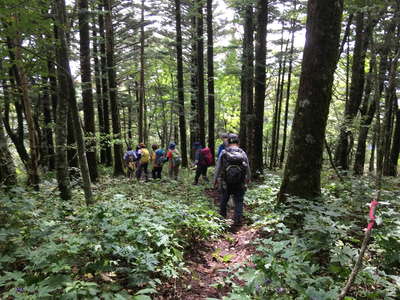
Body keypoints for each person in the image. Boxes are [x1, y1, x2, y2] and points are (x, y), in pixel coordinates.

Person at [214, 134, 251, 227]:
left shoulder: (223, 152)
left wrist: (215, 179)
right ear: (237, 142)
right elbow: (247, 168)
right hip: (240, 182)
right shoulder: (242, 152)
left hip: (225, 181)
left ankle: (222, 220)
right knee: (239, 201)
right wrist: (248, 179)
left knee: (224, 199)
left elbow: (218, 167)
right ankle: (238, 220)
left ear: (228, 142)